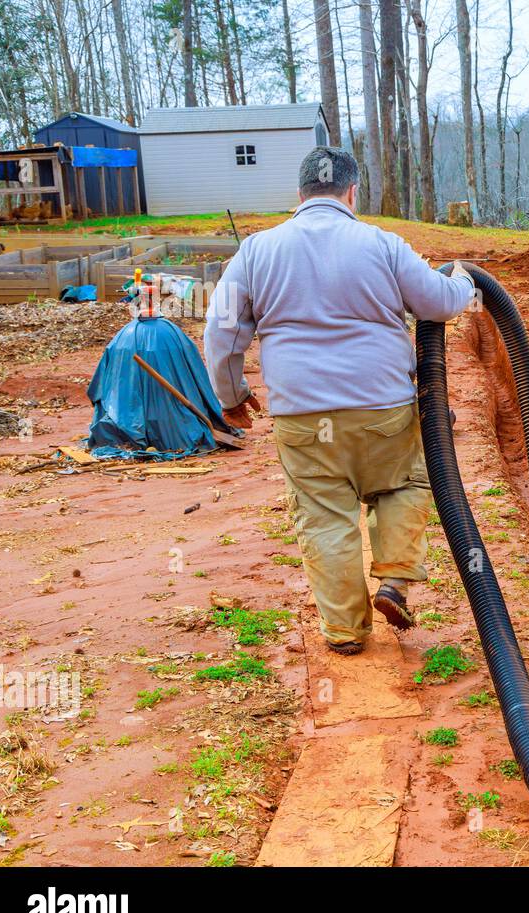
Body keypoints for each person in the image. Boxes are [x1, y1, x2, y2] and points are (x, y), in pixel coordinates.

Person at [204, 145, 475, 655]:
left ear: (300, 195)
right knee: (405, 482)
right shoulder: (382, 243)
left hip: (301, 415)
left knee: (325, 515)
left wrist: (231, 394)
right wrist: (462, 279)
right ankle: (394, 580)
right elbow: (441, 303)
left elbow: (220, 330)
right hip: (382, 409)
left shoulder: (258, 251)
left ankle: (346, 632)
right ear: (353, 193)